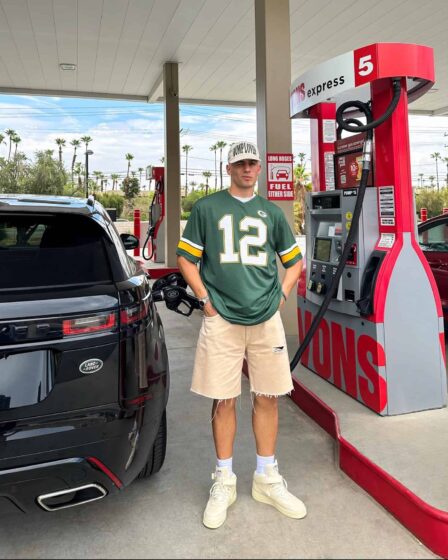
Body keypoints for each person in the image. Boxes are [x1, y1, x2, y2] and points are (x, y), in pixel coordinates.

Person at [176, 140, 306, 529]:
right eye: (240, 164)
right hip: (223, 319)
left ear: (259, 168)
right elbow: (186, 257)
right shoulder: (207, 208)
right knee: (224, 399)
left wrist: (281, 294)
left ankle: (267, 477)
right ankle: (224, 479)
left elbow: (293, 262)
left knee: (268, 396)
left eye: (253, 163)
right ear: (228, 168)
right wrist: (205, 300)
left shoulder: (271, 213)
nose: (248, 169)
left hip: (265, 317)